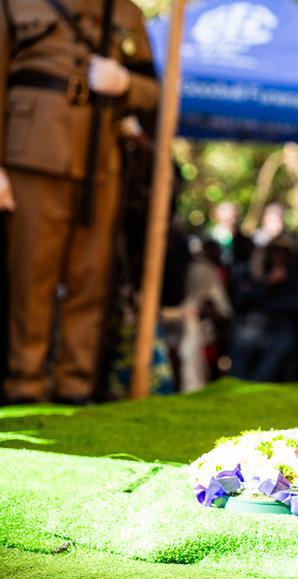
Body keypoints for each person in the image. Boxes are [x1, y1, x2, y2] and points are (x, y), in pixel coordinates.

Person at [0, 0, 159, 403]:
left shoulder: (126, 13)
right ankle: (25, 384)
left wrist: (125, 83)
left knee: (91, 276)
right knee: (30, 276)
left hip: (101, 160)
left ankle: (76, 384)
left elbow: (154, 90)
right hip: (32, 152)